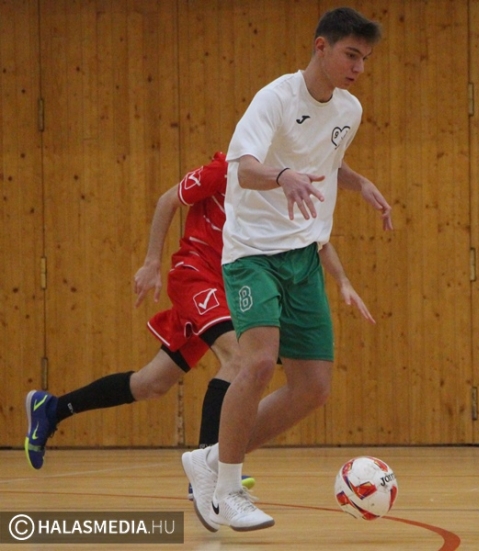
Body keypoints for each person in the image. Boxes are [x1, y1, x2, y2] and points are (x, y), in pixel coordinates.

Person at [181, 7, 392, 532]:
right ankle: (228, 489)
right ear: (321, 47)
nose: (358, 67)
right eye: (351, 55)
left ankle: (209, 460)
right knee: (257, 363)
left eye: (365, 59)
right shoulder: (274, 98)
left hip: (303, 256)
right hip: (252, 252)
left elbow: (327, 163)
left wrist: (360, 184)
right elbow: (243, 169)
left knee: (313, 388)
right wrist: (283, 177)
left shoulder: (349, 110)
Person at [23, 152, 254, 496]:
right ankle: (208, 473)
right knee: (239, 358)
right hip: (196, 276)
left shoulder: (277, 184)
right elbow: (167, 201)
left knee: (151, 384)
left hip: (227, 287)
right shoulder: (225, 170)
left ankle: (52, 409)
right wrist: (151, 263)